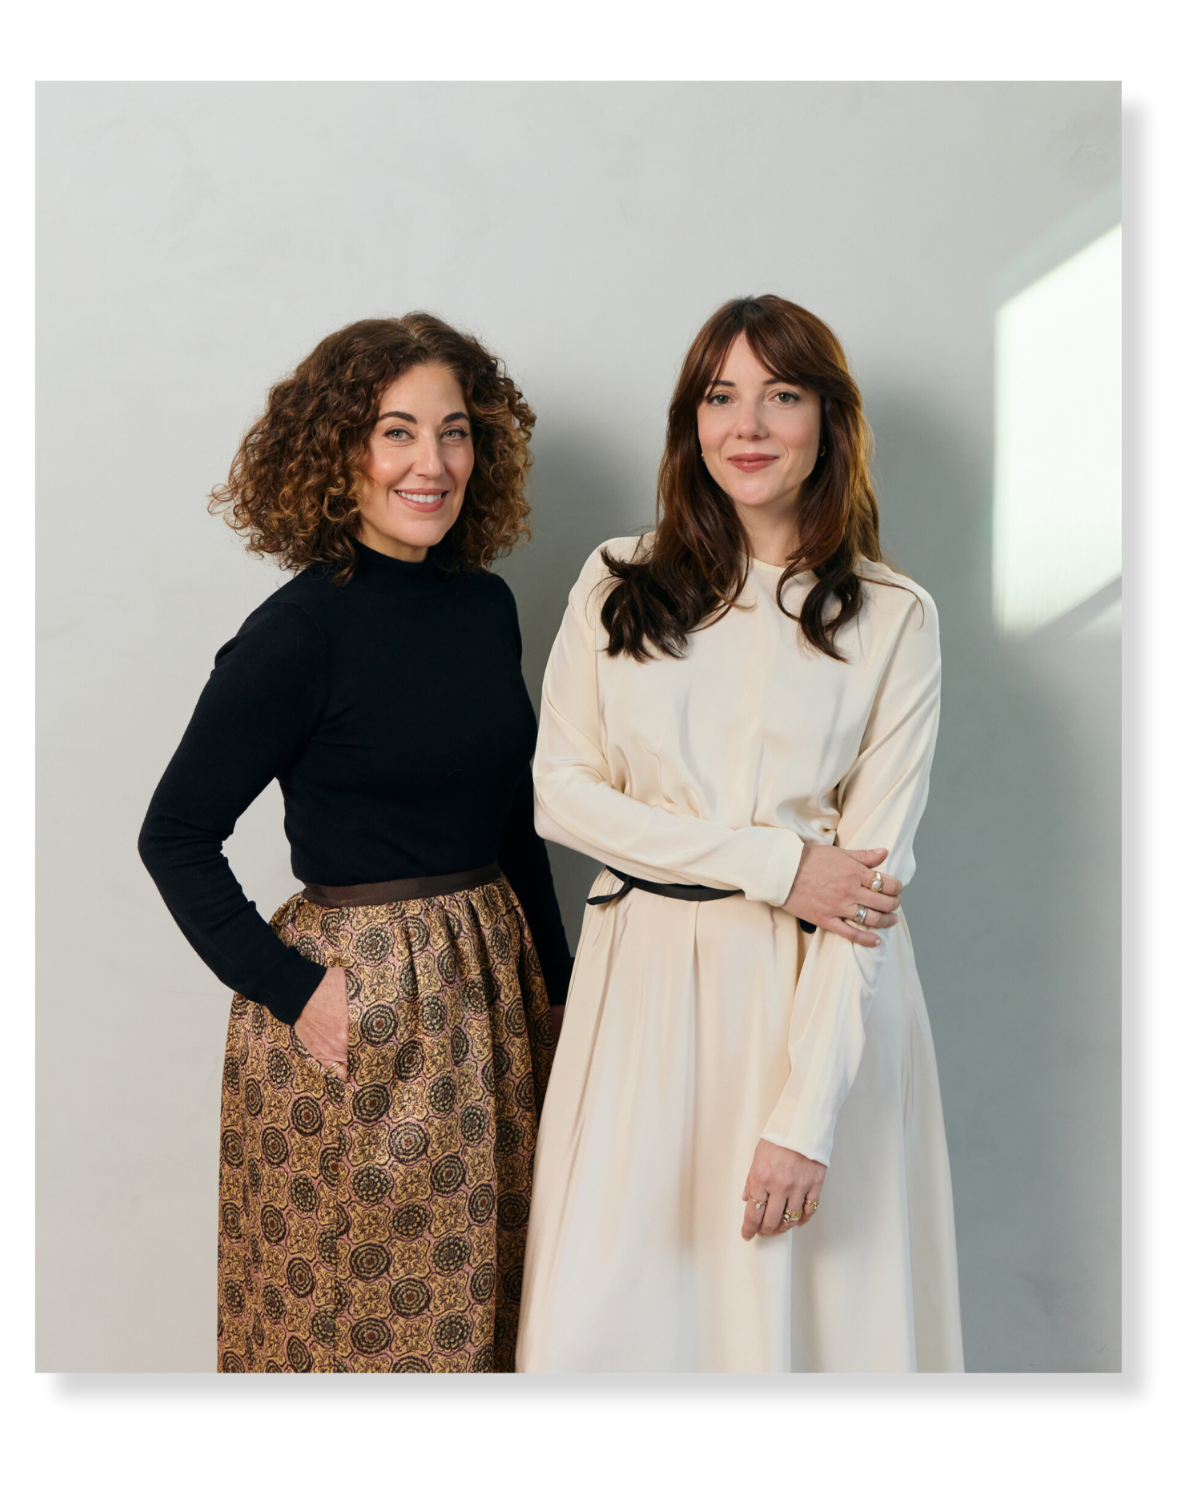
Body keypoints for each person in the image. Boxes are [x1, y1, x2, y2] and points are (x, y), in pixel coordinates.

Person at [517, 295, 963, 1373]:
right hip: (640, 1001)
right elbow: (560, 797)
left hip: (807, 1016)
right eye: (721, 397)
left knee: (795, 1327)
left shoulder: (895, 617)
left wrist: (805, 1120)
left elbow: (862, 896)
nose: (748, 426)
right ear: (691, 422)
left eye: (782, 394)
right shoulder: (618, 582)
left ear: (829, 421)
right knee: (606, 1325)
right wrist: (774, 862)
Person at [139, 314, 572, 1374]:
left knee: (500, 1307)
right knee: (355, 1327)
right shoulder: (298, 631)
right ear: (340, 453)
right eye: (397, 432)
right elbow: (176, 835)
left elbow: (515, 819)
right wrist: (296, 992)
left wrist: (559, 1005)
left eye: (456, 431)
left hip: (495, 992)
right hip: (365, 1001)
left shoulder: (486, 607)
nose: (433, 463)